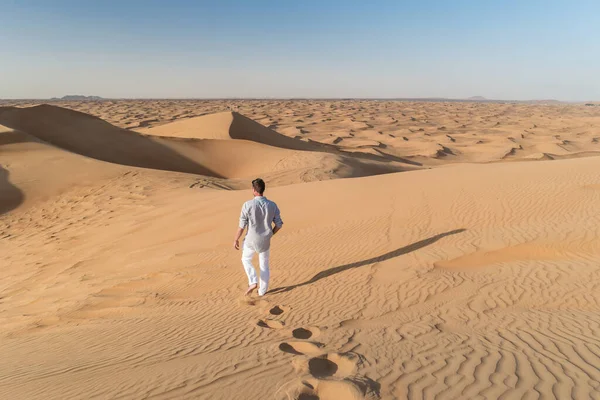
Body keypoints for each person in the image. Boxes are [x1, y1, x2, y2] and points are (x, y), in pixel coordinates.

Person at [233, 178, 283, 296]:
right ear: (263, 190)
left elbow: (242, 226)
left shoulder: (247, 205)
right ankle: (262, 292)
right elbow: (279, 224)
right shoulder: (272, 205)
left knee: (245, 259)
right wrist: (271, 233)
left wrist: (236, 239)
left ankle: (253, 281)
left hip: (251, 240)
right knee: (264, 266)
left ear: (254, 190)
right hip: (265, 241)